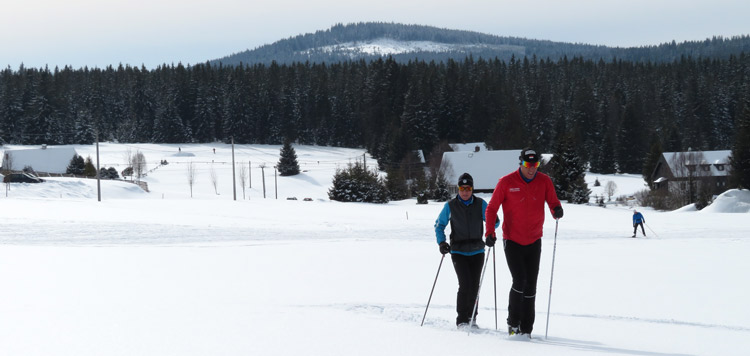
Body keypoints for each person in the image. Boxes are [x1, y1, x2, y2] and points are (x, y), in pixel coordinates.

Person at [484, 148, 563, 337]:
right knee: (519, 280)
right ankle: (513, 323)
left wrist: (557, 210)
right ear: (521, 163)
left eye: (535, 165)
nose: (531, 169)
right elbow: (491, 208)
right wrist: (489, 232)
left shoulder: (544, 181)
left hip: (534, 239)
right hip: (512, 239)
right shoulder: (506, 182)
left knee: (531, 285)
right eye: (528, 165)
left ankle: (527, 329)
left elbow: (553, 202)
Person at [434, 172, 498, 329]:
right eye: (462, 189)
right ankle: (462, 319)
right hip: (458, 251)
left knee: (475, 285)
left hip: (477, 251)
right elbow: (439, 225)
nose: (465, 192)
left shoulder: (480, 204)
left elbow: (494, 221)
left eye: (468, 188)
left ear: (472, 189)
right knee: (465, 284)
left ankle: (472, 318)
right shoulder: (450, 206)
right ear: (458, 189)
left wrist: (490, 233)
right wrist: (442, 243)